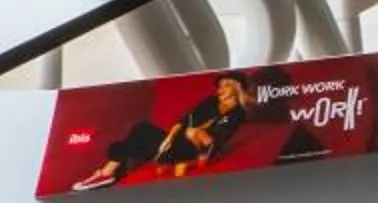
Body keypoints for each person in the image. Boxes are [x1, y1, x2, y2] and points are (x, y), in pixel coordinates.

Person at [71, 73, 259, 191]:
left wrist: (198, 135)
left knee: (138, 136)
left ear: (236, 88)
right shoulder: (210, 102)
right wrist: (169, 138)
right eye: (220, 85)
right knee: (139, 132)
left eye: (226, 85)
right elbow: (184, 120)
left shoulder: (238, 113)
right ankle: (108, 173)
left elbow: (217, 141)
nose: (220, 89)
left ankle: (106, 173)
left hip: (190, 151)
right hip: (177, 144)